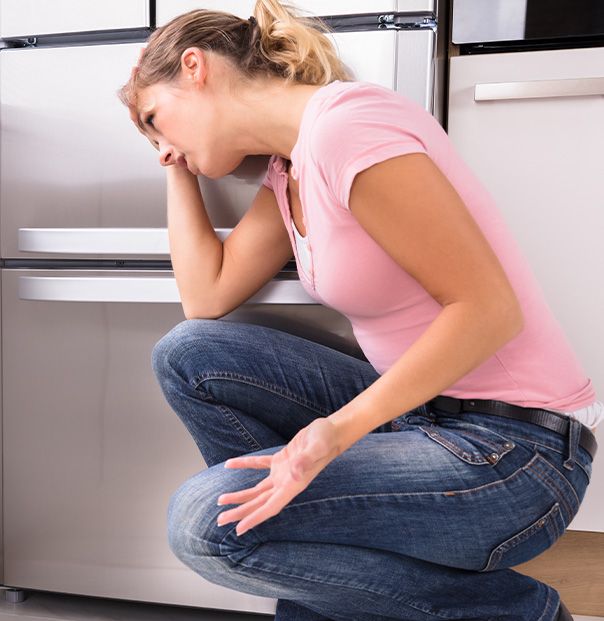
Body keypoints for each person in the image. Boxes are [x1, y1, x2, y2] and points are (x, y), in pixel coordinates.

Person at [118, 1, 601, 620]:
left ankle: (513, 613)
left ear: (195, 68)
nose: (161, 143)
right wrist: (178, 171)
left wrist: (334, 433)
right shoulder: (287, 169)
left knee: (204, 524)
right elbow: (205, 296)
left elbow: (490, 310)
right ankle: (318, 592)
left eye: (156, 119)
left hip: (514, 452)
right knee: (190, 354)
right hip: (418, 420)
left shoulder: (348, 128)